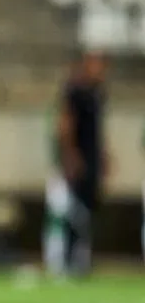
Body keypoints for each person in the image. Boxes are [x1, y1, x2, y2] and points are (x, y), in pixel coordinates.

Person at [44, 53, 110, 278]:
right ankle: (65, 261)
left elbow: (98, 130)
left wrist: (103, 155)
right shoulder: (74, 92)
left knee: (88, 212)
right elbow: (65, 125)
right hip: (78, 161)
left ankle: (81, 260)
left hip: (91, 160)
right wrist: (70, 156)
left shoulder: (98, 94)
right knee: (73, 212)